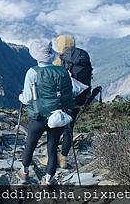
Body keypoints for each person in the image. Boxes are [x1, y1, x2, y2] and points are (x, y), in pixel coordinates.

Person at [19, 39, 74, 185]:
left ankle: (24, 172)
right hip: (57, 116)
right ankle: (49, 179)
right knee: (53, 146)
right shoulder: (63, 72)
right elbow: (69, 94)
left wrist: (20, 97)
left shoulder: (32, 72)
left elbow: (27, 98)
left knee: (30, 143)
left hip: (38, 116)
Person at [53, 34, 93, 169]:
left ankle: (52, 159)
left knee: (56, 127)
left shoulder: (60, 60)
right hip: (80, 98)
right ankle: (63, 158)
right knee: (69, 128)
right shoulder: (83, 57)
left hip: (63, 100)